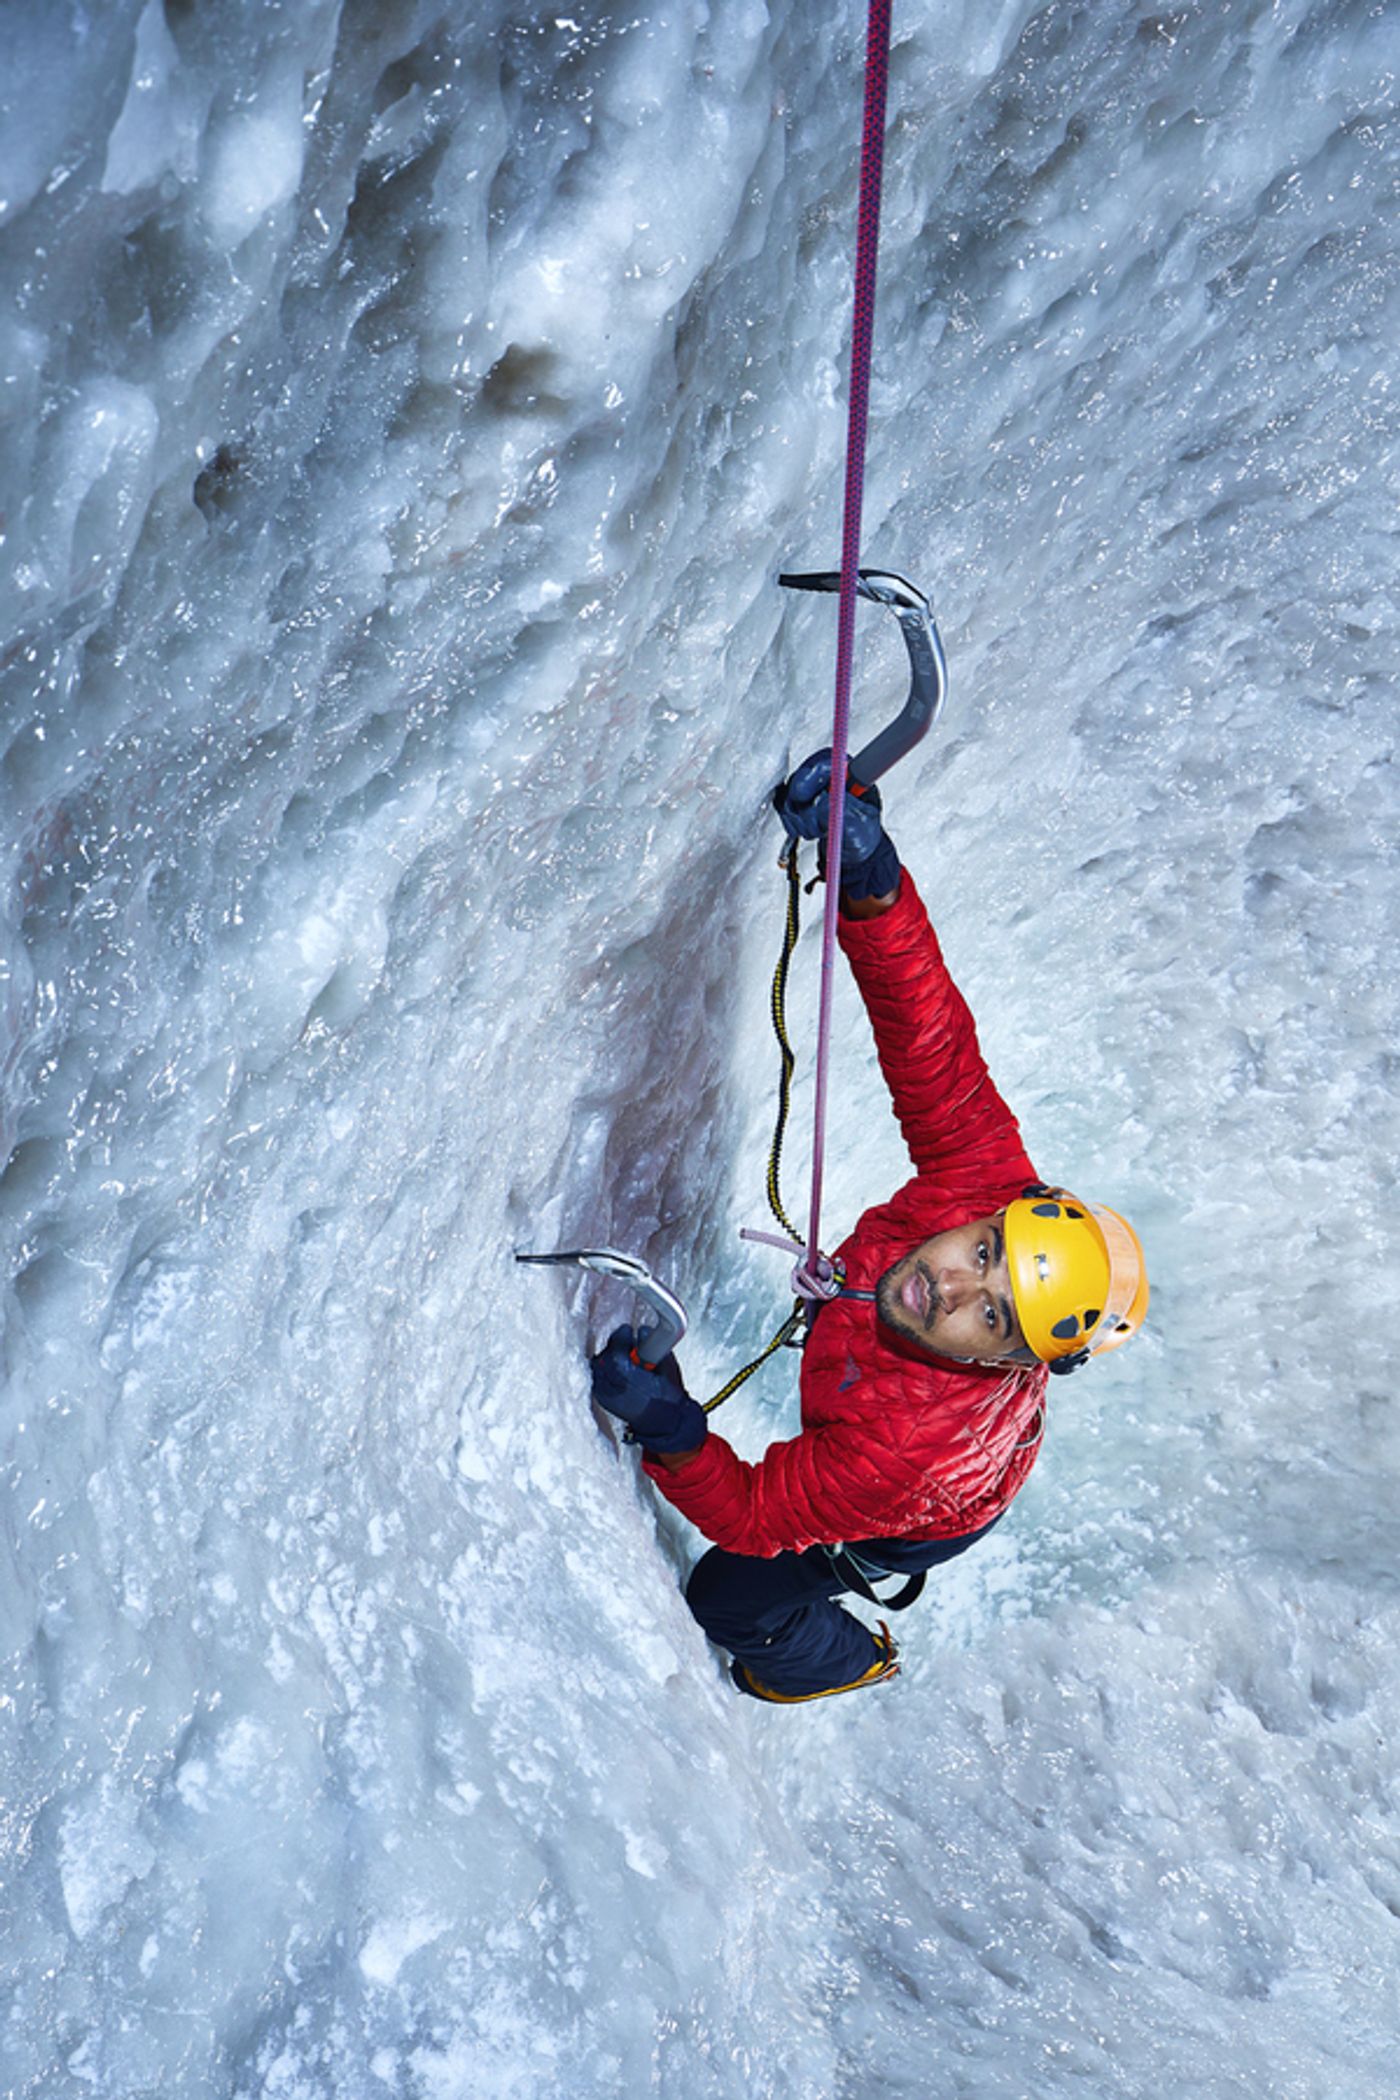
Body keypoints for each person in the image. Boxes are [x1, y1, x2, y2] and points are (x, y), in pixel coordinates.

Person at [590, 753, 1148, 1704]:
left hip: (929, 1505)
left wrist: (673, 1429)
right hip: (951, 1438)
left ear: (1007, 1359)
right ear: (994, 1213)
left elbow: (756, 1513)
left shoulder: (902, 1456)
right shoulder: (984, 1180)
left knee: (730, 1598)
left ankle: (852, 1660)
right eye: (984, 1255)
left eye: (993, 1318)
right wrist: (870, 875)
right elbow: (927, 1036)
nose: (958, 1287)